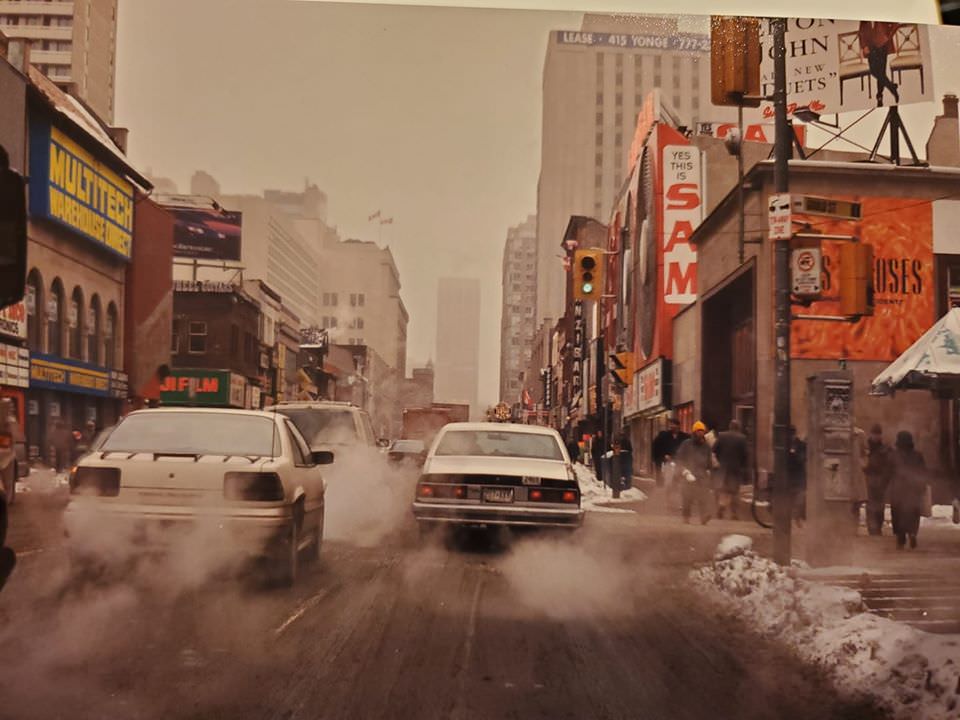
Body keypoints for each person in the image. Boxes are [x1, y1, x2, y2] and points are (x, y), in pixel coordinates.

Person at [889, 430, 927, 550]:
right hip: (913, 489)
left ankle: (900, 537)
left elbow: (888, 472)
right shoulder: (918, 455)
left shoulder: (894, 455)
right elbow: (923, 472)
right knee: (913, 513)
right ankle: (912, 533)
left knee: (898, 513)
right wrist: (922, 486)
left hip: (898, 489)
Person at [677, 421, 713, 525]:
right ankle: (686, 516)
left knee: (703, 497)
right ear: (694, 432)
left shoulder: (706, 446)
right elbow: (679, 459)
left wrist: (709, 471)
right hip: (689, 475)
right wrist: (684, 471)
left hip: (702, 476)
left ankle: (704, 516)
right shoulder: (686, 444)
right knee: (687, 497)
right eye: (698, 431)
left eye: (702, 431)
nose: (701, 433)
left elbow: (709, 461)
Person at [858, 21, 901, 107]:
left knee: (881, 72)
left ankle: (879, 97)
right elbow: (861, 31)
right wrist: (864, 46)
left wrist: (887, 36)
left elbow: (896, 24)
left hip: (882, 45)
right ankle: (892, 87)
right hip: (870, 47)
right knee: (874, 71)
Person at [713, 420, 748, 520]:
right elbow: (745, 455)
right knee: (734, 492)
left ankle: (721, 507)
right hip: (735, 469)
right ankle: (734, 513)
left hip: (723, 468)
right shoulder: (742, 438)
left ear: (730, 426)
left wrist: (719, 461)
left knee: (724, 490)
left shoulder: (722, 436)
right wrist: (743, 467)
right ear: (738, 427)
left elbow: (714, 450)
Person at [863, 424, 894, 536]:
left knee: (879, 505)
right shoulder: (866, 447)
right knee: (871, 504)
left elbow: (889, 465)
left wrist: (886, 479)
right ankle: (872, 527)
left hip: (880, 479)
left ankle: (877, 527)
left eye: (878, 434)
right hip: (870, 477)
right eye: (875, 434)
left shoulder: (884, 449)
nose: (876, 436)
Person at [652, 417, 689, 487]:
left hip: (680, 462)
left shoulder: (684, 436)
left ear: (678, 426)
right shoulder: (664, 436)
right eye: (671, 425)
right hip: (668, 462)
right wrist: (664, 456)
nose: (672, 427)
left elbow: (688, 447)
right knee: (668, 481)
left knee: (680, 480)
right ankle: (668, 493)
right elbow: (658, 447)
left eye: (674, 425)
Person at [787, 426, 807, 527]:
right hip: (790, 476)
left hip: (798, 475)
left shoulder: (801, 445)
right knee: (792, 497)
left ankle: (797, 518)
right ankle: (793, 518)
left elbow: (802, 459)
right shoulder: (785, 445)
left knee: (799, 498)